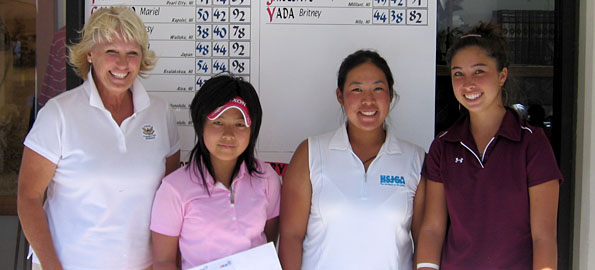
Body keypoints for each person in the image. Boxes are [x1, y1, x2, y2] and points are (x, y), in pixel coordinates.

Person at [17, 7, 181, 270]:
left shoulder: (161, 113)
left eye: (132, 53)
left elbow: (171, 197)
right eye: (111, 52)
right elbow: (28, 198)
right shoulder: (59, 113)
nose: (122, 64)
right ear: (90, 54)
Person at [415, 23, 562, 270]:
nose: (467, 84)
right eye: (458, 74)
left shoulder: (531, 143)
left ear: (502, 75)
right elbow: (432, 229)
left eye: (479, 71)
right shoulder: (443, 146)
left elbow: (544, 237)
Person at [278, 50, 426, 270]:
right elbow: (291, 236)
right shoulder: (311, 152)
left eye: (378, 89)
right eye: (357, 90)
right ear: (340, 96)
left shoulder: (416, 159)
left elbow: (425, 240)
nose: (368, 100)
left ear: (390, 95)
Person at [150, 74, 281, 270]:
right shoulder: (174, 189)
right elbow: (164, 261)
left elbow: (269, 242)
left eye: (239, 124)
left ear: (252, 129)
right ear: (200, 124)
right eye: (218, 123)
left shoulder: (267, 178)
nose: (228, 135)